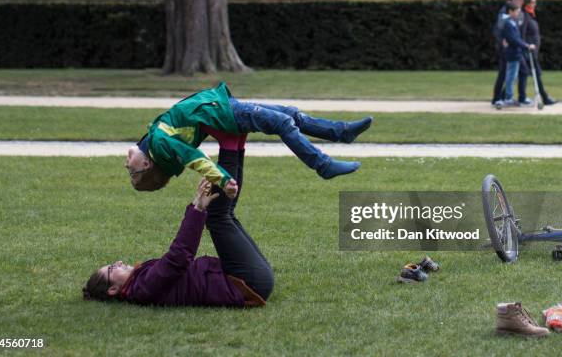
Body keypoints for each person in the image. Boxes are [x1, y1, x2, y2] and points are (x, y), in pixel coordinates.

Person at [83, 137, 274, 307]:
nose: (117, 262)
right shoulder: (143, 287)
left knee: (224, 214)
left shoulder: (140, 282)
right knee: (218, 217)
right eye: (111, 268)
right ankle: (230, 142)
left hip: (248, 277)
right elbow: (178, 257)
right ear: (112, 290)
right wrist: (197, 209)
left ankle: (235, 141)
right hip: (247, 282)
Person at [126, 82, 372, 194]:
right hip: (226, 114)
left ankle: (341, 132)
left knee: (290, 114)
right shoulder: (160, 144)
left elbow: (181, 133)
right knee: (283, 122)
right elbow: (195, 158)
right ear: (146, 165)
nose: (127, 164)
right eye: (131, 171)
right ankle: (323, 165)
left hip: (223, 106)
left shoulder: (155, 139)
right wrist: (222, 179)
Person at [518, 0, 558, 106]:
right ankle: (545, 98)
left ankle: (503, 95)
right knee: (535, 74)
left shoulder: (530, 15)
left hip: (532, 52)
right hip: (528, 52)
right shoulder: (524, 15)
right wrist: (526, 46)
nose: (535, 4)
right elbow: (522, 34)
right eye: (533, 2)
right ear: (527, 3)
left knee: (520, 75)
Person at [494, 1, 535, 109]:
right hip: (512, 53)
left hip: (516, 53)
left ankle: (508, 98)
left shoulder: (512, 22)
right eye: (517, 11)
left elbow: (517, 38)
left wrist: (525, 45)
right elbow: (514, 39)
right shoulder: (508, 23)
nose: (518, 13)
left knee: (513, 76)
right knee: (511, 76)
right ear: (510, 11)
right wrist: (526, 46)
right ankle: (508, 98)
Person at [492, 0, 525, 105]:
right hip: (507, 48)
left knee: (516, 73)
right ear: (512, 0)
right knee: (504, 73)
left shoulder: (519, 12)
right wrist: (502, 41)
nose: (522, 1)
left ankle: (506, 97)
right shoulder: (504, 12)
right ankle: (498, 98)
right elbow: (498, 30)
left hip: (516, 47)